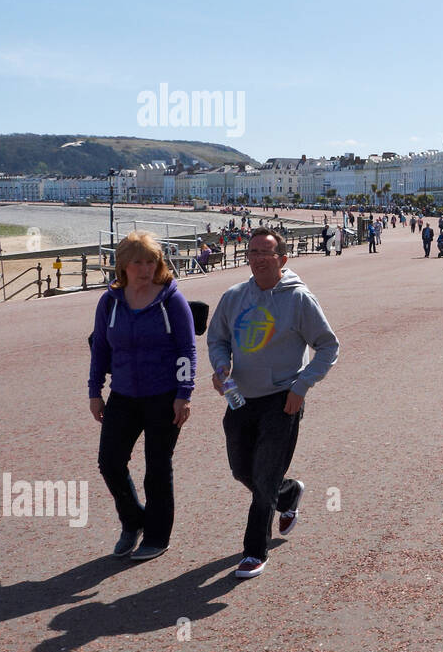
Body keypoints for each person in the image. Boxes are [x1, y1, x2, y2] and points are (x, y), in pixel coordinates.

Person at [207, 228, 339, 579]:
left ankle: (254, 551)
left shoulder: (299, 300)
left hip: (283, 400)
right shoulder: (233, 297)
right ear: (246, 257)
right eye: (253, 252)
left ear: (283, 258)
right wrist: (221, 368)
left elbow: (328, 346)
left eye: (267, 252)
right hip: (240, 398)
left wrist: (302, 386)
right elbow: (217, 339)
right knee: (241, 470)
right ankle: (289, 492)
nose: (260, 258)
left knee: (263, 476)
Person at [88, 231, 196, 561]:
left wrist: (184, 393)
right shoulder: (110, 302)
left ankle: (157, 536)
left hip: (164, 397)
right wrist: (95, 391)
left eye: (151, 261)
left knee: (157, 468)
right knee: (110, 462)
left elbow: (186, 350)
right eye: (138, 262)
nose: (145, 268)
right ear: (123, 265)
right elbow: (101, 348)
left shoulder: (171, 299)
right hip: (123, 395)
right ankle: (133, 521)